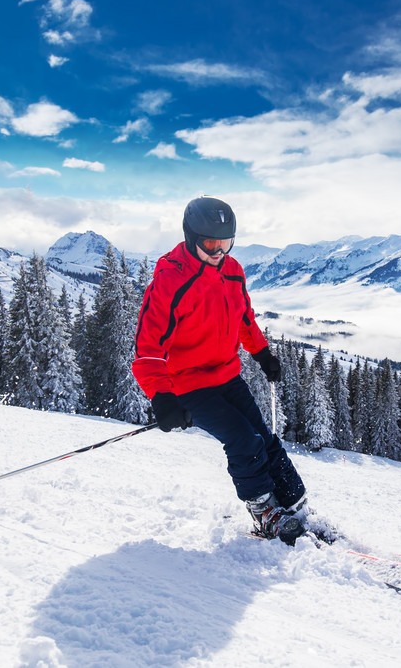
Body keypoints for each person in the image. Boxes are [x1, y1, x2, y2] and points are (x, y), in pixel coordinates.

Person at [131, 196, 308, 544]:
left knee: (264, 438)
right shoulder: (170, 280)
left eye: (225, 243)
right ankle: (264, 513)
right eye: (211, 243)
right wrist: (162, 397)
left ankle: (294, 502)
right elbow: (147, 349)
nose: (218, 252)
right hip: (188, 385)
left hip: (227, 374)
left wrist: (263, 354)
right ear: (190, 236)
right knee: (244, 441)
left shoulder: (232, 271)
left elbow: (244, 319)